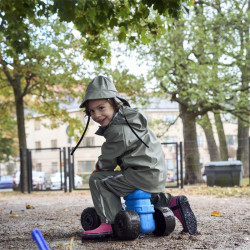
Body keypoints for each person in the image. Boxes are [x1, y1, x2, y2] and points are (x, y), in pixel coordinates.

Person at [71, 75, 197, 238]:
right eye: (91, 111)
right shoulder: (132, 120)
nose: (96, 115)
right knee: (146, 192)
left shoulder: (117, 130)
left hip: (140, 175)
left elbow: (107, 162)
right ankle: (173, 203)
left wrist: (98, 170)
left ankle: (109, 223)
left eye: (101, 108)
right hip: (155, 174)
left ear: (115, 104)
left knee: (98, 180)